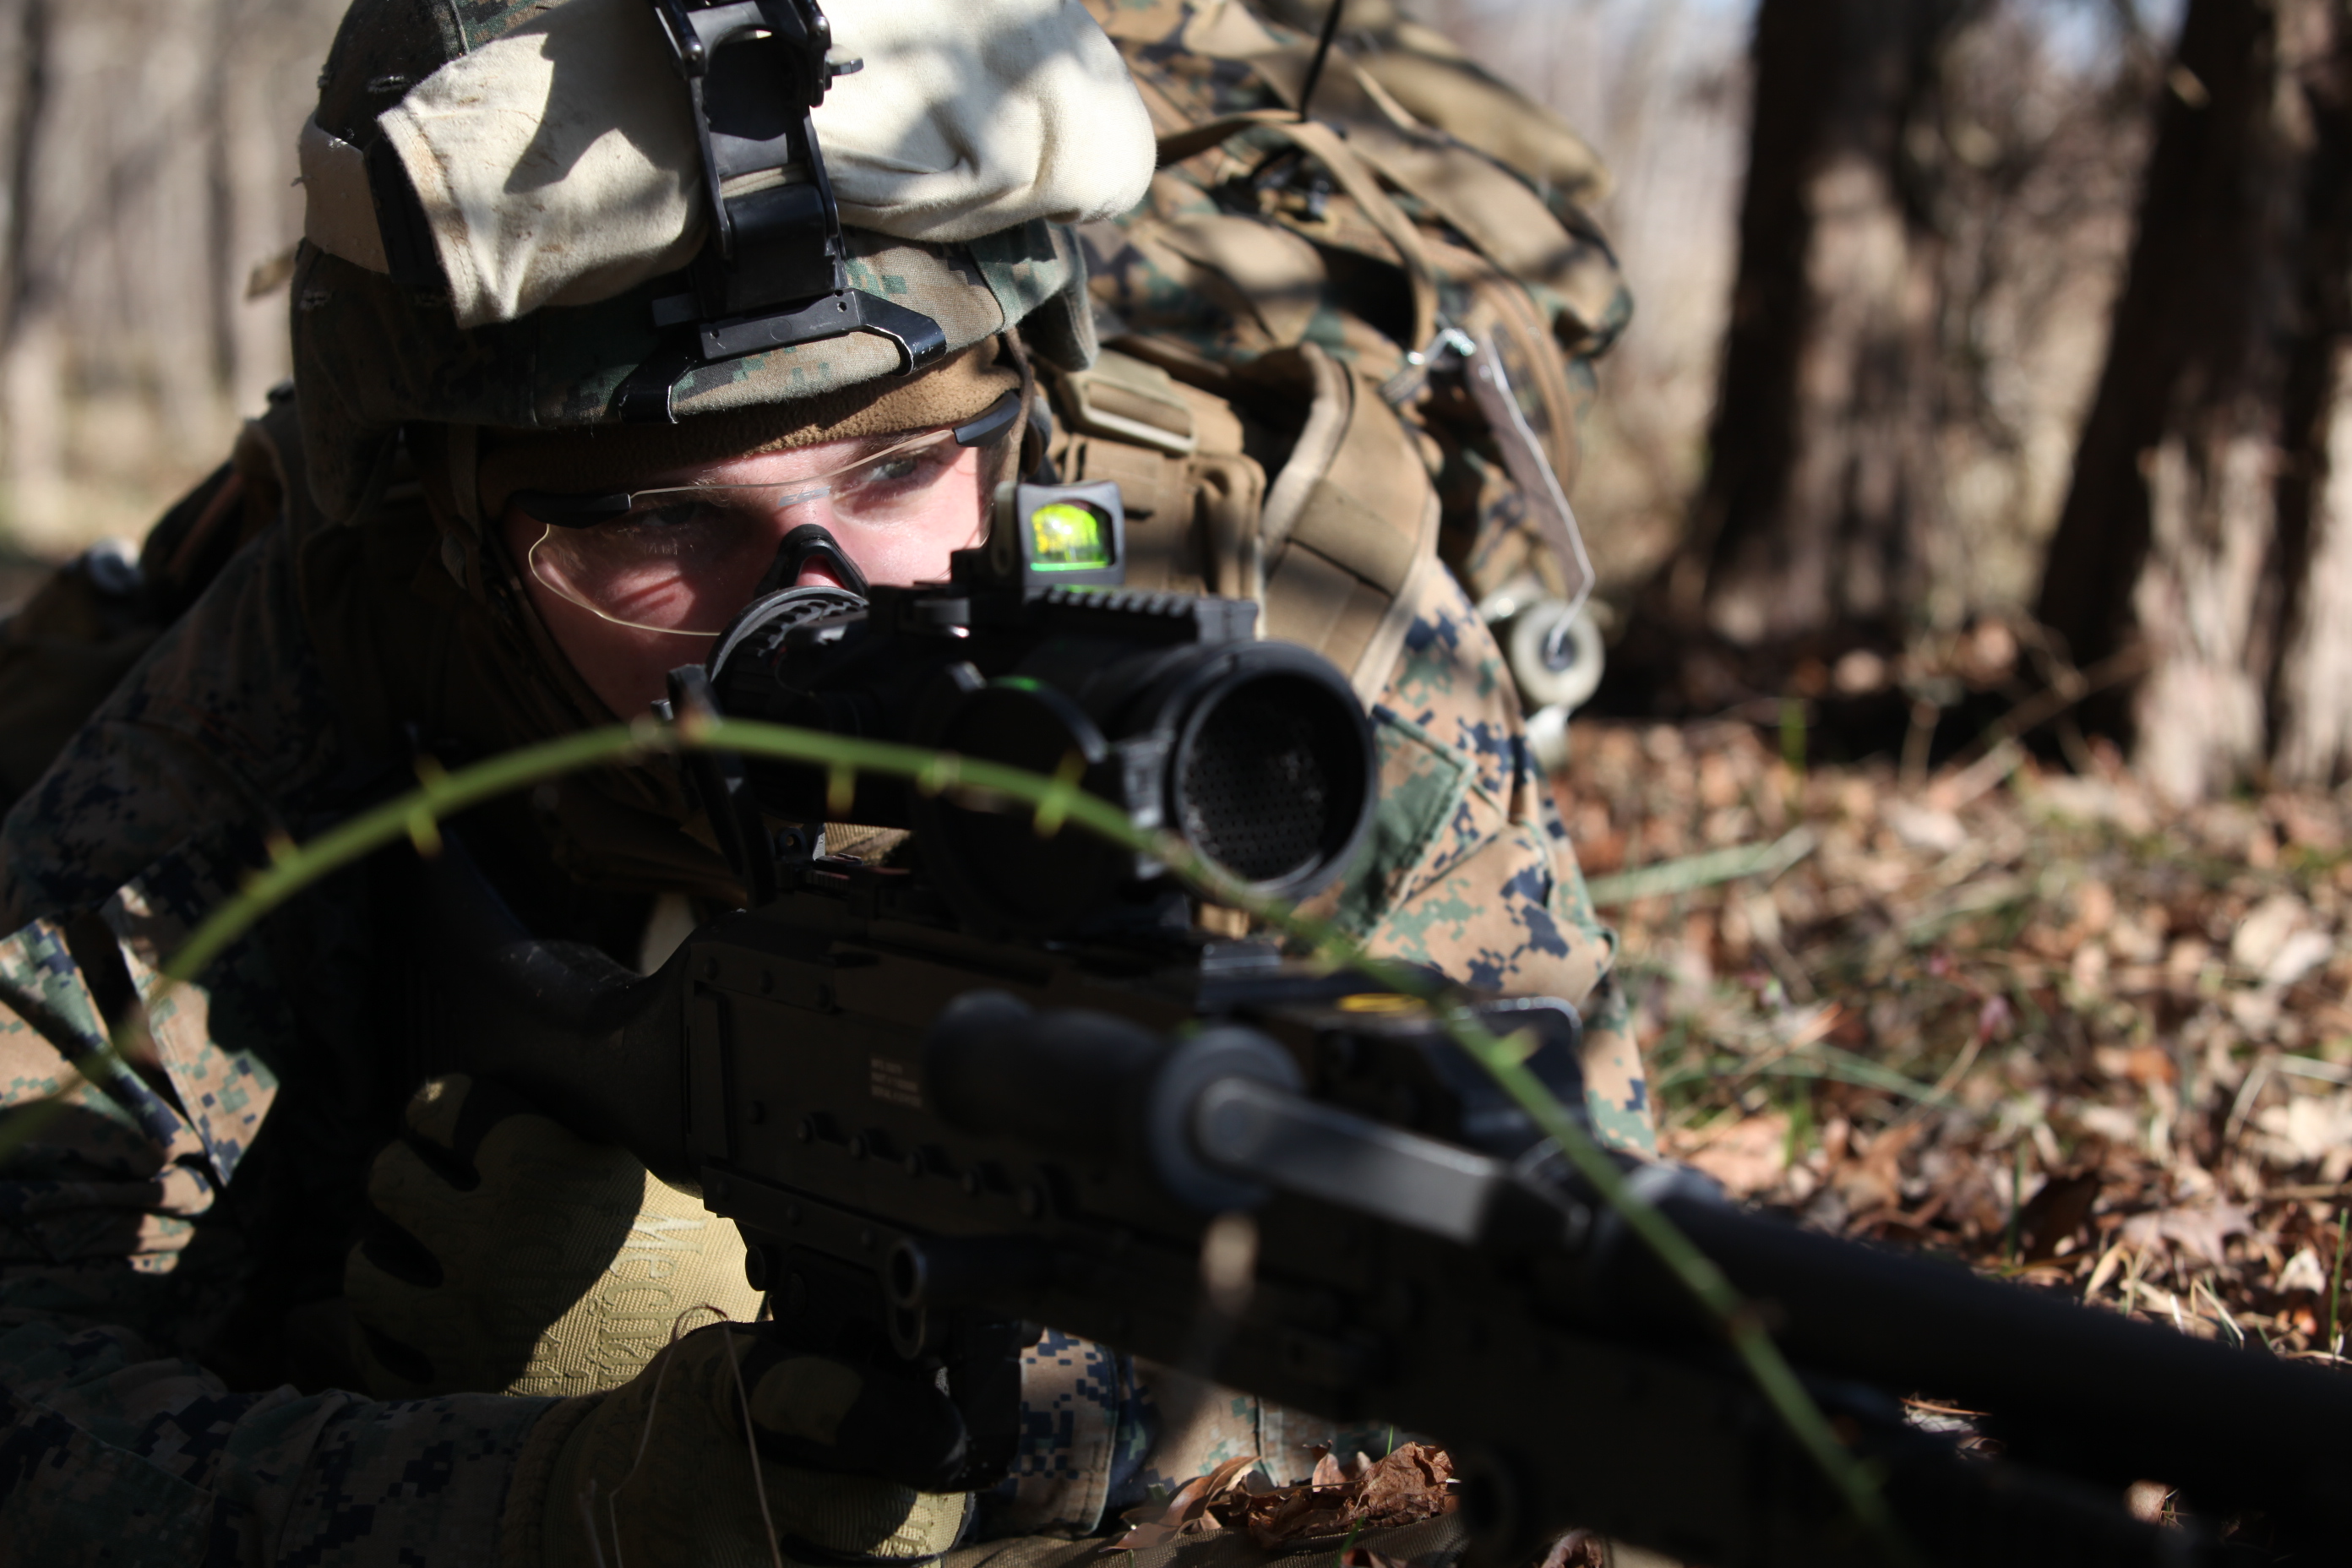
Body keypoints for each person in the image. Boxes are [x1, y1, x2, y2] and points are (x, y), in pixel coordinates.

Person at [0, 0, 1647, 1560]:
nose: (826, 596)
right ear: (452, 530)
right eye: (656, 518)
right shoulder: (328, 656)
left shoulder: (1278, 625)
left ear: (1034, 413)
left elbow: (1569, 1276)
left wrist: (1029, 1395)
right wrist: (537, 1498)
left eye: (902, 460)